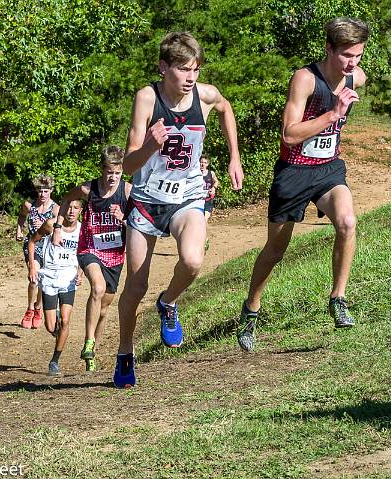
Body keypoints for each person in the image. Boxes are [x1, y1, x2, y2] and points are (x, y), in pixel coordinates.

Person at [114, 31, 244, 388]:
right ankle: (125, 351)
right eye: (183, 69)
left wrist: (234, 157)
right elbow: (127, 165)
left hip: (187, 197)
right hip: (146, 201)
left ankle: (168, 303)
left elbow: (225, 107)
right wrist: (149, 147)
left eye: (196, 70)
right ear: (163, 67)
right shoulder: (147, 98)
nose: (190, 77)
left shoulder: (204, 96)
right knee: (135, 285)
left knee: (193, 261)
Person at [238, 17, 368, 352]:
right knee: (275, 251)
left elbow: (359, 78)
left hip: (328, 170)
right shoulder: (306, 79)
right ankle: (251, 309)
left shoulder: (357, 76)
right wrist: (333, 114)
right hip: (294, 173)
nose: (352, 63)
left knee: (347, 222)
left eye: (358, 54)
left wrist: (343, 100)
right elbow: (289, 134)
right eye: (346, 55)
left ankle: (338, 299)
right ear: (329, 48)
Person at [53, 146, 130, 373]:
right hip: (89, 248)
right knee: (97, 288)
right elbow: (66, 200)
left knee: (104, 308)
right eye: (109, 173)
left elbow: (139, 223)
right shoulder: (88, 189)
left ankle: (92, 352)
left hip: (115, 253)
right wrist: (58, 227)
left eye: (117, 173)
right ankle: (88, 342)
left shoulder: (127, 191)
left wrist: (123, 218)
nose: (113, 178)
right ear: (102, 170)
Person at [27, 201, 83, 376]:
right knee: (51, 327)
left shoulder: (82, 230)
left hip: (68, 278)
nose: (71, 211)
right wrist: (32, 266)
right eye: (68, 208)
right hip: (49, 277)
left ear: (81, 211)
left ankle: (54, 361)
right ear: (62, 210)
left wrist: (80, 272)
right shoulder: (51, 225)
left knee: (66, 321)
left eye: (75, 208)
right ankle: (57, 329)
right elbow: (32, 241)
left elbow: (84, 252)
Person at [15, 174, 59, 329]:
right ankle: (29, 309)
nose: (43, 194)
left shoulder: (55, 209)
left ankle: (38, 307)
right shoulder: (29, 206)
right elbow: (21, 217)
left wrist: (47, 226)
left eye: (46, 191)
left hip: (48, 247)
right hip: (32, 244)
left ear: (51, 191)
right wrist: (19, 230)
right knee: (33, 278)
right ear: (36, 190)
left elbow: (61, 228)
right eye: (40, 191)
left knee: (42, 279)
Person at [200, 153, 220, 221]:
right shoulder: (195, 173)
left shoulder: (211, 173)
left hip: (208, 200)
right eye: (201, 162)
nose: (202, 164)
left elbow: (216, 181)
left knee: (204, 219)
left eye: (205, 163)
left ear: (207, 164)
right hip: (197, 200)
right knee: (199, 220)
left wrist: (214, 188)